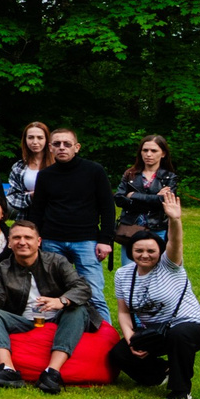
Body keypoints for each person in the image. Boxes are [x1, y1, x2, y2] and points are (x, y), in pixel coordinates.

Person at [0, 221, 93, 392]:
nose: (22, 242)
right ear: (9, 242)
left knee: (78, 310)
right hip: (23, 319)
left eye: (28, 237)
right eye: (17, 238)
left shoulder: (56, 261)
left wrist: (60, 301)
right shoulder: (1, 267)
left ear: (39, 241)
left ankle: (52, 372)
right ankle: (7, 370)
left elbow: (82, 288)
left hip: (58, 316)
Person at [109, 213, 200, 399]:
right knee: (119, 354)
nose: (145, 255)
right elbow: (123, 311)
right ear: (131, 251)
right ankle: (161, 372)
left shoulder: (170, 265)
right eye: (139, 250)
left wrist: (174, 219)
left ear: (160, 251)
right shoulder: (123, 274)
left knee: (178, 335)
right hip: (156, 330)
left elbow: (176, 241)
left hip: (192, 326)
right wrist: (131, 339)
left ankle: (180, 391)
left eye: (151, 251)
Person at [29, 127, 117, 329]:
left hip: (86, 240)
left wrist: (105, 240)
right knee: (51, 291)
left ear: (76, 147)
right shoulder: (45, 175)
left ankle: (107, 338)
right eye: (57, 144)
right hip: (52, 239)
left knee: (93, 292)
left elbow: (107, 207)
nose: (62, 148)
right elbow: (38, 210)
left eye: (67, 144)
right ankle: (55, 332)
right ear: (50, 148)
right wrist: (35, 238)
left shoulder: (94, 171)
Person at [114, 136, 178, 254]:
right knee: (129, 270)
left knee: (157, 268)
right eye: (145, 150)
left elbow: (164, 203)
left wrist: (133, 195)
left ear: (163, 154)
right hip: (131, 229)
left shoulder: (168, 177)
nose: (148, 154)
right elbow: (119, 199)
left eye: (153, 151)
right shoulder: (130, 174)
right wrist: (154, 198)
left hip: (157, 228)